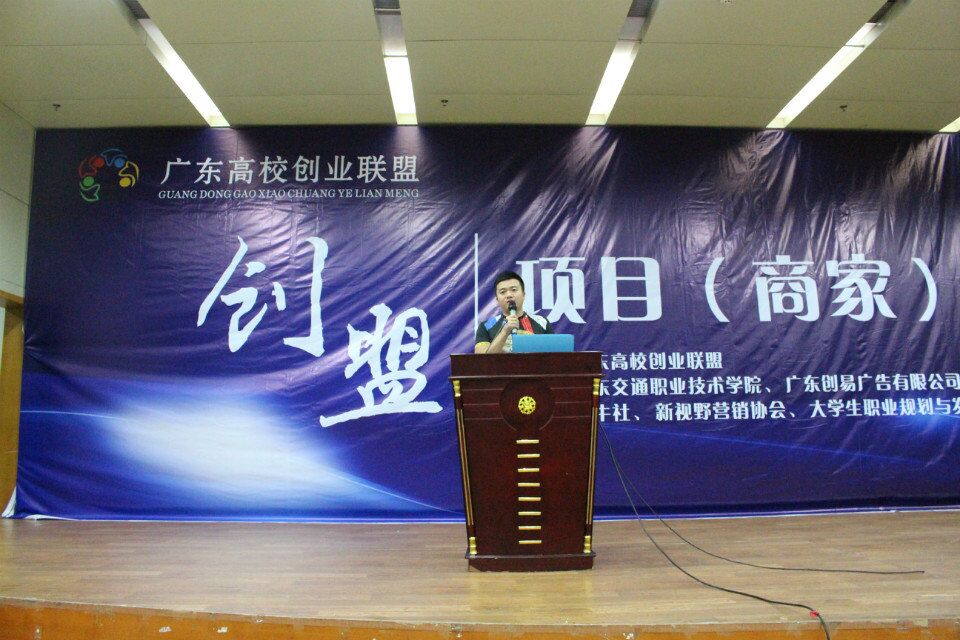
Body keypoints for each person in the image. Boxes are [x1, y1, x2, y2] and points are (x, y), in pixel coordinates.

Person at [474, 271, 551, 353]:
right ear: (497, 300)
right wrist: (505, 332)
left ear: (524, 295)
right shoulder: (486, 326)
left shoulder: (542, 322)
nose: (509, 295)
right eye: (503, 292)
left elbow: (553, 356)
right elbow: (483, 359)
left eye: (514, 290)